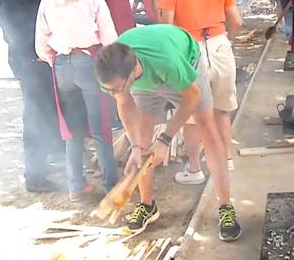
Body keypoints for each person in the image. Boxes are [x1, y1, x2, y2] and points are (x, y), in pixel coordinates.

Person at [94, 25, 241, 240]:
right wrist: (135, 146)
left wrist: (165, 139)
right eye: (110, 89)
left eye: (117, 88)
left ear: (133, 71)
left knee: (208, 131)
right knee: (143, 143)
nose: (113, 93)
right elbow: (123, 102)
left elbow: (192, 98)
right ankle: (147, 206)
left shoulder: (168, 61)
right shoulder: (112, 74)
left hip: (185, 62)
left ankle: (226, 206)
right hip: (144, 84)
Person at [158, 0, 242, 185]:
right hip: (219, 46)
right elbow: (236, 22)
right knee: (222, 111)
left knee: (192, 116)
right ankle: (226, 159)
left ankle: (194, 170)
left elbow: (167, 28)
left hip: (189, 51)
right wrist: (226, 40)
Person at [35, 0, 118, 201]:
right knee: (100, 128)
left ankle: (75, 185)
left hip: (62, 65)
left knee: (72, 131)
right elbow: (110, 39)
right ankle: (111, 184)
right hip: (89, 62)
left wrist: (56, 61)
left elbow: (41, 42)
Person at [0, 0, 60, 192]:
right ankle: (35, 175)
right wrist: (32, 52)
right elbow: (11, 21)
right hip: (29, 58)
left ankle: (43, 161)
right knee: (36, 114)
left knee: (42, 110)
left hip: (31, 55)